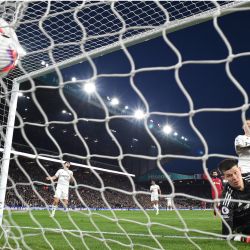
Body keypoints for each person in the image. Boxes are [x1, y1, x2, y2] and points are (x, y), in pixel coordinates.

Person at [218, 159, 250, 243]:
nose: (234, 178)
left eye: (236, 172)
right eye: (229, 175)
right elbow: (226, 234)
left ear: (240, 170)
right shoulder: (227, 198)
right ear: (224, 177)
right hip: (242, 224)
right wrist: (243, 238)